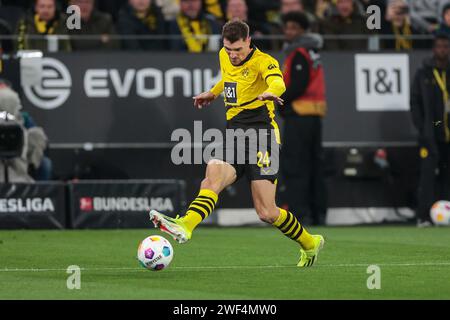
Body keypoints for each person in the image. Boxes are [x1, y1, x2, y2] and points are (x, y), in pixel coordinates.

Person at [150, 20, 325, 267]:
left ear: (248, 42)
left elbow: (279, 82)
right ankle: (186, 225)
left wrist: (270, 91)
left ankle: (310, 243)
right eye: (228, 49)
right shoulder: (224, 55)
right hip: (235, 133)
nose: (232, 55)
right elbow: (230, 80)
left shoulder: (264, 61)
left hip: (263, 135)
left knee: (267, 212)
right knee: (213, 174)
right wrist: (213, 91)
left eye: (238, 50)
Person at [279, 12, 327, 226]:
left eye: (293, 28)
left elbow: (298, 84)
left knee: (296, 166)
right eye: (287, 27)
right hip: (314, 117)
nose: (289, 31)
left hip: (299, 116)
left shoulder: (298, 53)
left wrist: (279, 100)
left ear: (302, 30)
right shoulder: (312, 52)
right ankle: (319, 213)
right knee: (314, 166)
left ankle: (299, 214)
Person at [411, 34, 450, 227]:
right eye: (439, 46)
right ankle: (424, 216)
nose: (442, 50)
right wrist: (422, 127)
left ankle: (445, 213)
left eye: (446, 46)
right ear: (433, 49)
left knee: (447, 175)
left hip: (447, 130)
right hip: (433, 128)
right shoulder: (424, 72)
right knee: (427, 175)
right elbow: (415, 101)